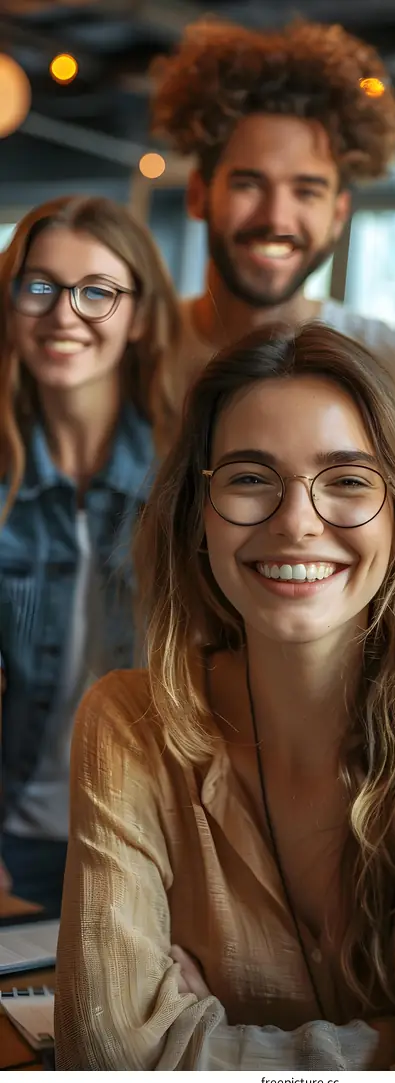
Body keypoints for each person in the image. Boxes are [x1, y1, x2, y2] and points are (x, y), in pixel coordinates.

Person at [55, 323, 395, 1070]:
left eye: (348, 480)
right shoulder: (128, 725)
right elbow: (105, 1059)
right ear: (195, 517)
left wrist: (191, 1041)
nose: (297, 521)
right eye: (248, 477)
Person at [0, 195, 180, 917]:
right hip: (12, 842)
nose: (63, 314)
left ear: (138, 318)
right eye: (38, 286)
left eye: (96, 292)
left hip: (148, 846)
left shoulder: (183, 479)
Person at [151, 17, 395, 422]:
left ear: (339, 215)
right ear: (199, 195)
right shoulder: (135, 348)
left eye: (306, 191)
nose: (276, 218)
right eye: (249, 184)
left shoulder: (394, 363)